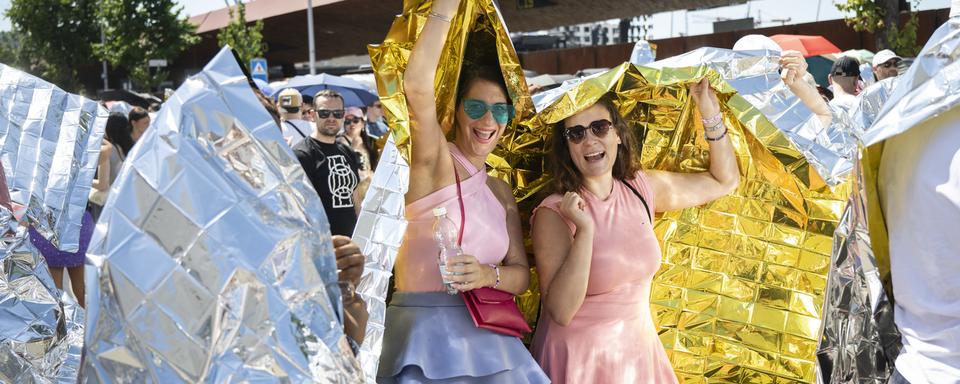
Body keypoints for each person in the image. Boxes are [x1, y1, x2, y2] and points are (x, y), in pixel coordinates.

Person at [376, 0, 548, 382]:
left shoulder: (501, 191)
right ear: (455, 110)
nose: (489, 121)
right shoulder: (434, 162)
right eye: (476, 107)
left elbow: (520, 275)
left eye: (501, 111)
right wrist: (444, 9)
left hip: (492, 341)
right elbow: (416, 86)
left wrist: (488, 275)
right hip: (421, 338)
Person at [530, 80, 739, 383]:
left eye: (599, 127)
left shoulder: (640, 188)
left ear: (617, 134)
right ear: (567, 148)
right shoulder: (554, 212)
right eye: (576, 134)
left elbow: (724, 181)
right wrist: (586, 230)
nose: (589, 140)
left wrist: (708, 110)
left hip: (637, 358)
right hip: (580, 363)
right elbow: (561, 311)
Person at [293, 89, 362, 237]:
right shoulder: (302, 154)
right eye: (324, 113)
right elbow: (300, 208)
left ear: (343, 116)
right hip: (323, 245)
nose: (331, 118)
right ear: (313, 114)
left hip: (351, 242)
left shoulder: (347, 151)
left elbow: (355, 197)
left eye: (337, 113)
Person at [343, 107, 378, 179]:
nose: (352, 124)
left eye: (355, 120)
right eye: (347, 121)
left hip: (369, 182)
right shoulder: (340, 141)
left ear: (363, 123)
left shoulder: (371, 141)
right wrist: (353, 149)